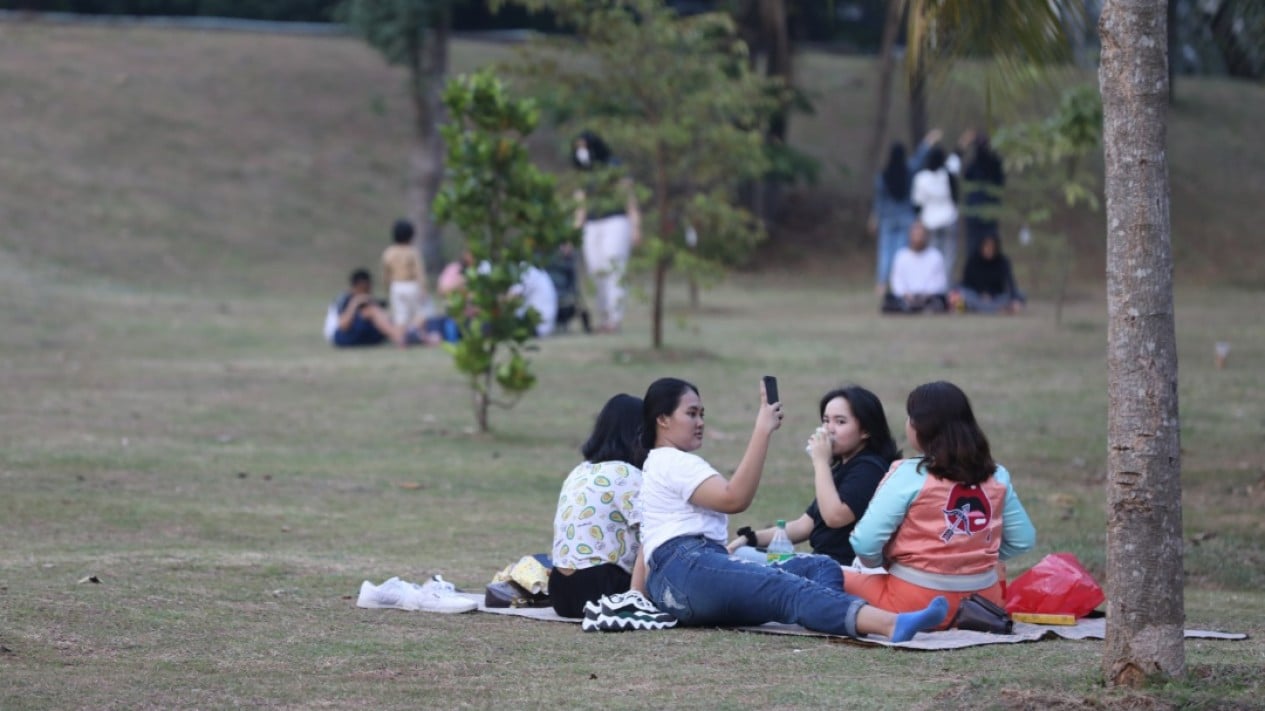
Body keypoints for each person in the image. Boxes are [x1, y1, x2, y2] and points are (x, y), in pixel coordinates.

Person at [637, 377, 948, 642]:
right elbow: (735, 498)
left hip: (695, 568)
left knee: (820, 567)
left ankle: (832, 613)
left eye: (702, 413)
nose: (701, 422)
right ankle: (889, 624)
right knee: (784, 587)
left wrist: (636, 595)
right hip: (686, 569)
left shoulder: (866, 467)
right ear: (663, 419)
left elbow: (645, 541)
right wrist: (763, 429)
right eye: (691, 414)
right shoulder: (672, 461)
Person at [845, 381, 1036, 627]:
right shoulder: (997, 475)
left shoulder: (908, 474)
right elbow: (1023, 539)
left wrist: (878, 565)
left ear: (921, 427)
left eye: (910, 417)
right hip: (983, 603)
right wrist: (977, 560)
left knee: (830, 574)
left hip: (911, 598)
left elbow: (865, 542)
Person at [727, 385, 900, 565]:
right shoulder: (844, 466)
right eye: (826, 421)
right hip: (819, 563)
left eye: (840, 422)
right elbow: (804, 525)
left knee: (741, 560)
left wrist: (820, 462)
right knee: (741, 552)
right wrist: (750, 538)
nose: (829, 429)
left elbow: (835, 517)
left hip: (839, 570)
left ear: (866, 430)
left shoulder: (869, 469)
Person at [550, 393, 648, 618]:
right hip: (600, 588)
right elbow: (652, 533)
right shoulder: (628, 474)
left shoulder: (579, 471)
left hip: (559, 592)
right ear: (639, 434)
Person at [572, 131, 641, 333]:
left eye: (584, 147)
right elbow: (580, 205)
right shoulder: (583, 173)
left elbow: (629, 199)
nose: (581, 152)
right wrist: (574, 231)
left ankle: (615, 319)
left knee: (614, 267)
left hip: (615, 221)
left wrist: (636, 226)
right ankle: (603, 316)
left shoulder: (614, 166)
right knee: (596, 270)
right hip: (592, 225)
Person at [912, 143, 960, 284]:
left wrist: (919, 220)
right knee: (948, 256)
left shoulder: (921, 178)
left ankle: (933, 285)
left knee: (932, 256)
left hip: (930, 221)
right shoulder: (948, 174)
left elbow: (917, 203)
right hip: (949, 219)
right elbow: (955, 196)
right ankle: (944, 285)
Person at [883, 221, 949, 314]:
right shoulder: (901, 256)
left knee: (940, 301)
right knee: (889, 300)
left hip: (929, 297)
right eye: (915, 235)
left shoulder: (935, 256)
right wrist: (905, 294)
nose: (918, 238)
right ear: (910, 236)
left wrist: (926, 296)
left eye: (921, 235)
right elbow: (897, 281)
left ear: (927, 236)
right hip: (906, 297)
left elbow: (940, 282)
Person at [328, 268, 405, 348]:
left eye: (368, 288)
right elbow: (343, 326)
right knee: (370, 312)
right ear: (356, 286)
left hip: (361, 335)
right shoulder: (344, 299)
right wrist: (355, 303)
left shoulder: (369, 299)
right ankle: (399, 337)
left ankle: (403, 334)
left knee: (382, 319)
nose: (367, 292)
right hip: (340, 335)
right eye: (364, 288)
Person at [951, 234, 1026, 314]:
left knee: (1020, 294)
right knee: (957, 291)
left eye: (992, 247)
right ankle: (995, 310)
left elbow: (1010, 282)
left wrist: (1013, 299)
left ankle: (980, 309)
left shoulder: (1003, 261)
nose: (989, 249)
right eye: (986, 246)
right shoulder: (973, 261)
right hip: (976, 296)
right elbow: (966, 282)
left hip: (995, 298)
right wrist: (982, 293)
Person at [960, 131, 1006, 259]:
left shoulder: (982, 165)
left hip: (984, 212)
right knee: (978, 247)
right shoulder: (989, 164)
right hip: (980, 212)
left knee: (988, 246)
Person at [381, 219, 429, 330]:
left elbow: (386, 273)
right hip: (411, 285)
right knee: (419, 314)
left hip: (396, 286)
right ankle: (420, 335)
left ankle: (401, 340)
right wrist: (423, 289)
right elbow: (419, 272)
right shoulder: (412, 252)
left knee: (400, 316)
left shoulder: (389, 252)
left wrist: (387, 287)